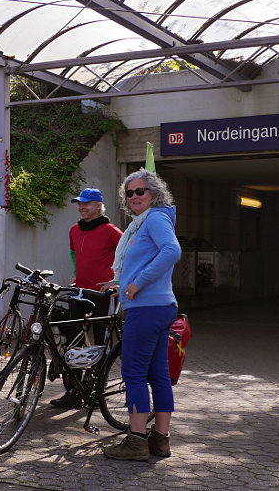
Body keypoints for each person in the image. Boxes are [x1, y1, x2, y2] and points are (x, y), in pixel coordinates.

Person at [101, 169, 181, 461]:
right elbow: (150, 259)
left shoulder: (156, 218)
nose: (134, 196)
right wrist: (122, 283)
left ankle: (136, 442)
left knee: (133, 373)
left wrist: (137, 283)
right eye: (129, 192)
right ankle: (160, 441)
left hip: (147, 308)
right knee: (158, 374)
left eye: (140, 191)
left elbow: (171, 251)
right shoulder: (144, 223)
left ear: (155, 194)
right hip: (157, 306)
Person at [50, 187, 122, 409]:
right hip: (80, 292)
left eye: (87, 203)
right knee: (73, 341)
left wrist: (119, 280)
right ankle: (73, 391)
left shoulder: (112, 231)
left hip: (103, 294)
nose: (81, 207)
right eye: (79, 204)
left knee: (100, 342)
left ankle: (98, 392)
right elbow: (74, 254)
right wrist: (77, 274)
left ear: (99, 206)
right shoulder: (74, 230)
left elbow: (130, 255)